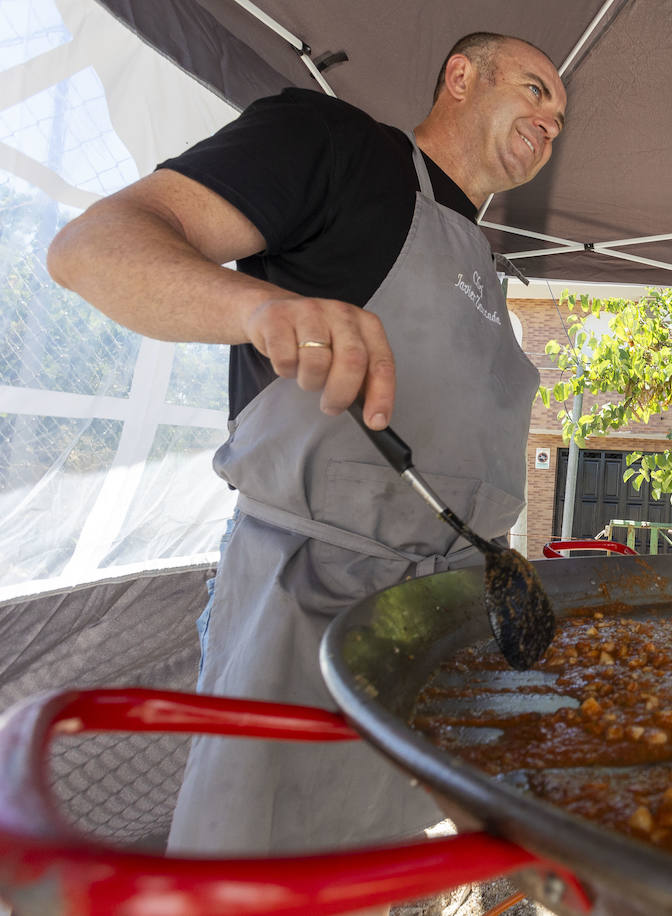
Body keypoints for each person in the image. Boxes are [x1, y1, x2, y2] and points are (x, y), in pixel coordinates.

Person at [46, 32, 567, 855]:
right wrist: (257, 310)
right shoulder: (333, 145)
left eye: (561, 116)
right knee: (261, 870)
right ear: (461, 76)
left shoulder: (483, 264)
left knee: (376, 868)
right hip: (305, 612)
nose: (552, 121)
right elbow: (93, 247)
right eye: (537, 90)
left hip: (438, 627)